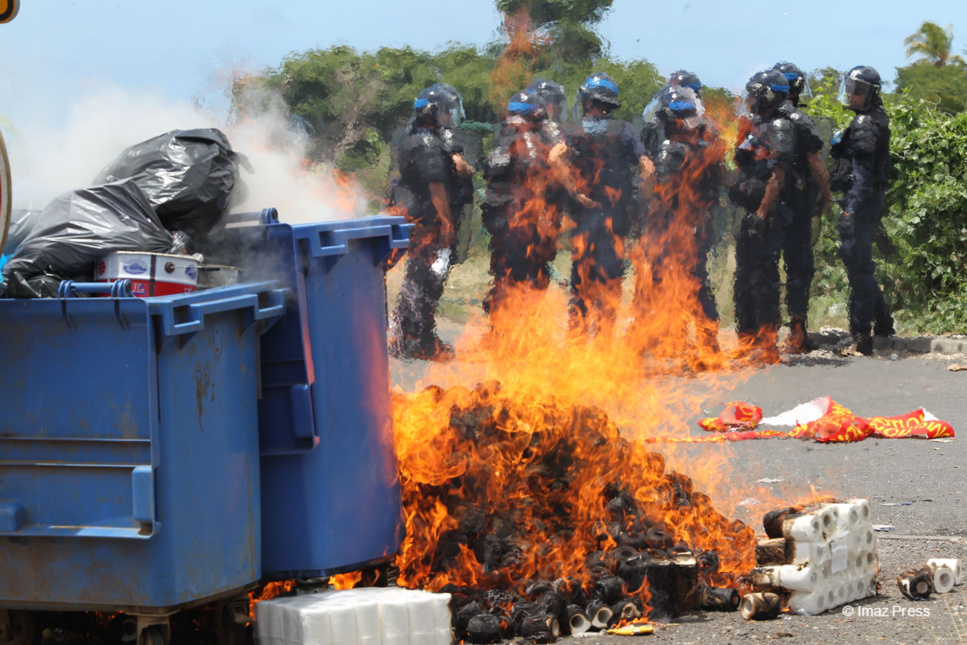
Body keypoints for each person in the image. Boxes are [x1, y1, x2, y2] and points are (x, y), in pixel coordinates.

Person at [549, 72, 654, 337]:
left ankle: (576, 337)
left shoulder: (575, 131)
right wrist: (643, 200)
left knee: (581, 276)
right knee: (610, 277)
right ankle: (604, 337)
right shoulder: (626, 130)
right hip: (615, 217)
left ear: (588, 101)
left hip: (585, 216)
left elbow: (554, 158)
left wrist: (575, 193)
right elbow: (649, 169)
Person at [635, 85, 726, 366]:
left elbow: (662, 193)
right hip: (696, 226)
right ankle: (708, 345)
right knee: (696, 284)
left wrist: (647, 193)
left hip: (671, 229)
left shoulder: (671, 151)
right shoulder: (705, 149)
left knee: (657, 283)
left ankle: (642, 345)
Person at [387, 85, 469, 361]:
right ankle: (417, 341)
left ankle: (409, 337)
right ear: (433, 112)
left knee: (418, 278)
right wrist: (447, 223)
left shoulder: (417, 136)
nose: (450, 115)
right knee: (426, 281)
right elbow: (436, 186)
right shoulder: (428, 144)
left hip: (415, 218)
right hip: (426, 220)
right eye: (446, 110)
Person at [728, 69, 798, 362]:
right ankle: (747, 340)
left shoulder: (780, 127)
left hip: (767, 214)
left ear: (769, 95)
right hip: (749, 211)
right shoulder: (758, 125)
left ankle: (768, 343)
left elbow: (777, 177)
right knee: (743, 278)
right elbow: (742, 163)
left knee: (763, 278)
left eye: (756, 93)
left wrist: (762, 212)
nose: (751, 99)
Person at [830, 65, 895, 356]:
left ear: (870, 93)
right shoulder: (874, 118)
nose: (851, 94)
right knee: (862, 263)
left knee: (857, 265)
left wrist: (850, 212)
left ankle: (860, 336)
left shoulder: (865, 124)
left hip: (862, 203)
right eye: (850, 87)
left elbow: (864, 175)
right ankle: (883, 322)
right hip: (868, 201)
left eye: (858, 90)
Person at [772, 62, 834, 352]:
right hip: (797, 206)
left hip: (769, 206)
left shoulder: (759, 118)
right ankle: (797, 332)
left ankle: (761, 332)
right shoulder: (800, 120)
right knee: (799, 267)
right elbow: (816, 165)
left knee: (764, 267)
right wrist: (827, 195)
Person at [481, 91, 561, 316]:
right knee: (529, 277)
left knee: (504, 273)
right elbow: (537, 181)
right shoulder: (528, 141)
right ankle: (516, 331)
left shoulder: (503, 136)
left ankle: (499, 328)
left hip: (499, 220)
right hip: (522, 221)